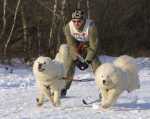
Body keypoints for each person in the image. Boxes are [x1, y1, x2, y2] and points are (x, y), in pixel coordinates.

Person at [61, 9, 101, 97]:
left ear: (83, 20)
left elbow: (94, 46)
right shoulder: (68, 27)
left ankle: (102, 88)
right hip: (76, 46)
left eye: (79, 21)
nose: (76, 23)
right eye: (74, 21)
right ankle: (63, 87)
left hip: (89, 46)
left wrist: (87, 61)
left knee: (95, 63)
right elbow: (71, 45)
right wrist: (76, 60)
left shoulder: (90, 27)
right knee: (68, 60)